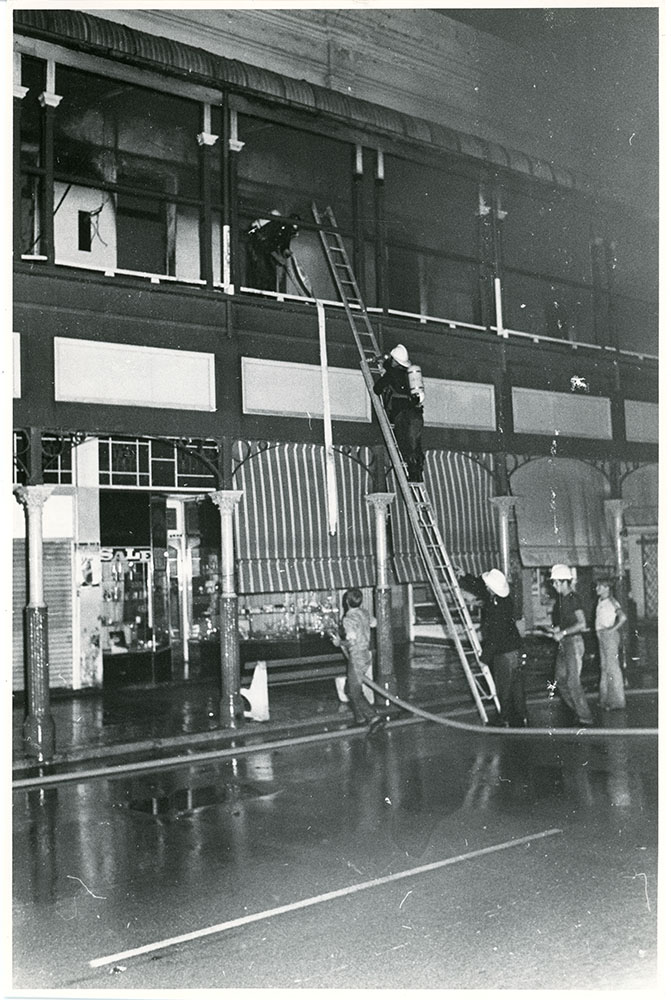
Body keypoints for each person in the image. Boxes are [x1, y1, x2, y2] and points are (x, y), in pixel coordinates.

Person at [458, 567, 527, 727]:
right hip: (515, 649)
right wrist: (466, 576)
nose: (486, 587)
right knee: (517, 687)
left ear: (491, 588)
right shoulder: (504, 600)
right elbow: (480, 587)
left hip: (504, 653)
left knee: (503, 687)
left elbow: (495, 637)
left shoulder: (496, 608)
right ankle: (522, 718)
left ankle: (504, 720)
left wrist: (484, 658)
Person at [329, 587, 385, 735]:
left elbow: (351, 642)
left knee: (353, 692)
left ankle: (374, 718)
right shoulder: (364, 613)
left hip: (357, 657)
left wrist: (339, 643)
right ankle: (360, 719)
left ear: (346, 601)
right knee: (351, 689)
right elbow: (375, 623)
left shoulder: (348, 619)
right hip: (366, 655)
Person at [549, 564, 593, 726]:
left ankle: (585, 717)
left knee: (572, 681)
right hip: (565, 642)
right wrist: (556, 631)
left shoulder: (574, 599)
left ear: (564, 582)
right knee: (560, 679)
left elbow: (582, 623)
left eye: (556, 583)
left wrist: (564, 633)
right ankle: (577, 711)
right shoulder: (561, 601)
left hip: (573, 642)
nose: (554, 586)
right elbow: (566, 623)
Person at [373, 344, 425, 482]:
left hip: (401, 414)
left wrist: (384, 370)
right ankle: (417, 474)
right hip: (416, 412)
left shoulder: (391, 374)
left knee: (404, 443)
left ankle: (413, 475)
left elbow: (376, 389)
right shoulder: (410, 375)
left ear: (394, 360)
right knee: (415, 444)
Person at [594, 578, 627, 710]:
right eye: (597, 586)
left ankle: (618, 702)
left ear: (607, 588)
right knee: (604, 667)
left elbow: (623, 617)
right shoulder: (600, 601)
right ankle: (605, 699)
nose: (597, 589)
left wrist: (611, 629)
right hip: (602, 635)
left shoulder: (612, 601)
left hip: (609, 636)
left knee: (612, 668)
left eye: (600, 586)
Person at [247, 210, 301, 290]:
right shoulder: (276, 225)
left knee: (269, 273)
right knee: (263, 272)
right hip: (258, 246)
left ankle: (267, 293)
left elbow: (284, 245)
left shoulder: (286, 232)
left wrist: (287, 253)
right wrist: (278, 257)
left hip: (265, 250)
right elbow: (265, 242)